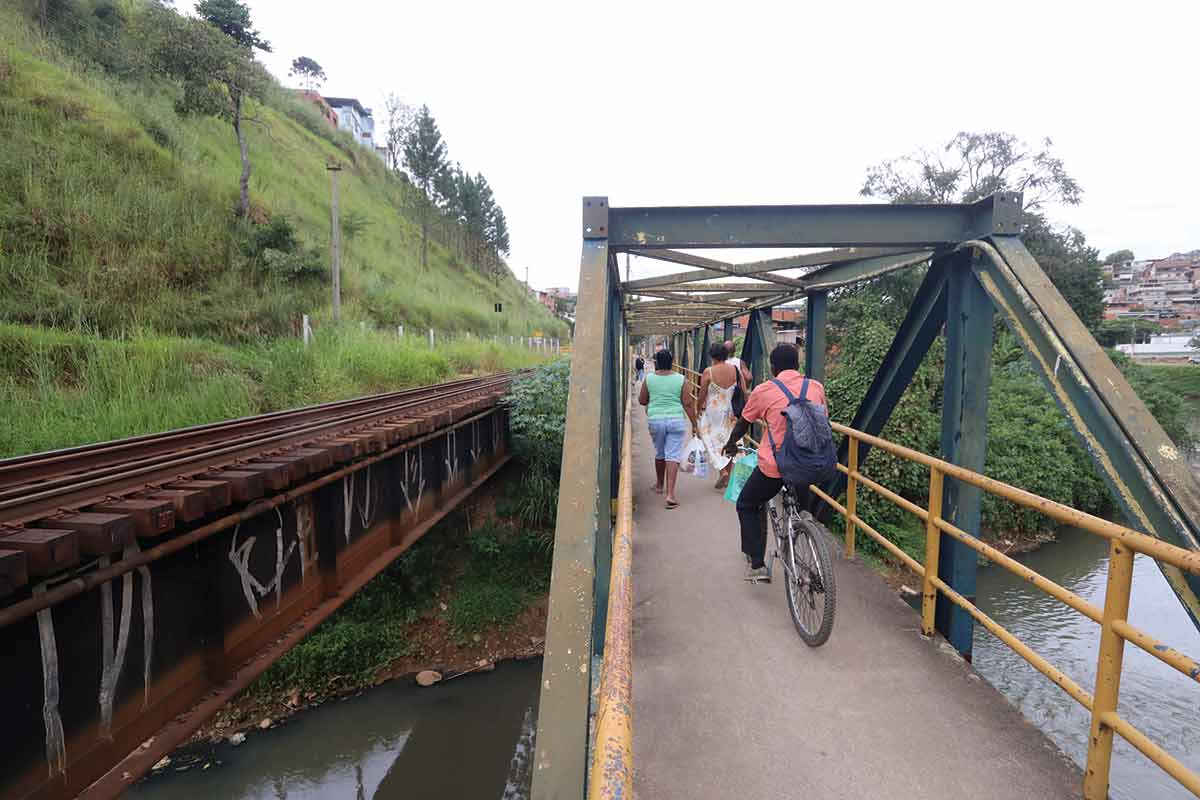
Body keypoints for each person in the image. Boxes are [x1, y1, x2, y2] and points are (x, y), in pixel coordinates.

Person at [722, 343, 827, 582]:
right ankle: (805, 518)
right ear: (798, 365)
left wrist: (730, 444)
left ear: (773, 367)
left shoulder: (764, 390)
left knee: (747, 504)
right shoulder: (815, 387)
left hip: (776, 466)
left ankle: (757, 565)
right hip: (810, 462)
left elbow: (744, 422)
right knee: (801, 504)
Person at [639, 349, 697, 509]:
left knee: (660, 453)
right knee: (672, 455)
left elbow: (642, 400)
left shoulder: (649, 379)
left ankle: (659, 485)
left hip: (656, 420)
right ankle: (670, 494)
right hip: (676, 420)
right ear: (672, 362)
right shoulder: (681, 379)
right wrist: (694, 424)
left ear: (656, 362)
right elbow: (688, 403)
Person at [696, 342, 744, 490]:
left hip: (713, 412)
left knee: (708, 439)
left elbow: (702, 393)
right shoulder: (735, 370)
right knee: (729, 440)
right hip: (731, 412)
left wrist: (697, 409)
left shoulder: (708, 372)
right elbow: (744, 390)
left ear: (712, 356)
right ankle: (727, 476)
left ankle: (722, 471)